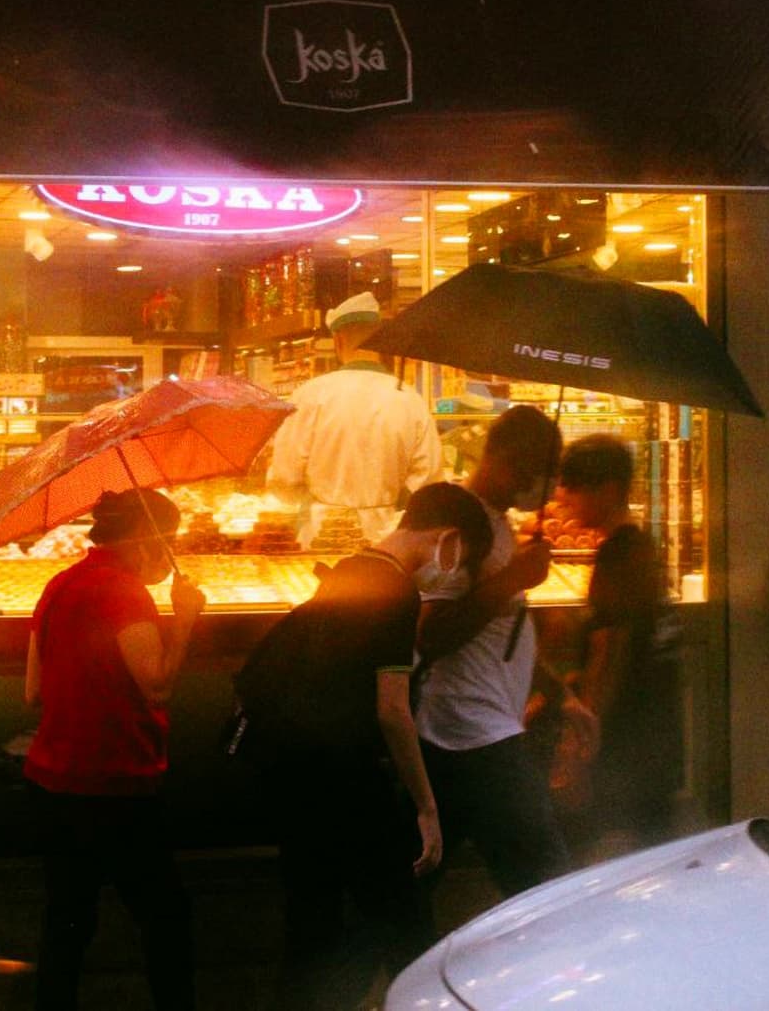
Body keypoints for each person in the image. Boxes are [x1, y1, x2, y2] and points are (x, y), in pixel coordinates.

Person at [231, 481, 493, 1011]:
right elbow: (391, 711)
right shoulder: (397, 592)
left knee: (311, 926)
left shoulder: (350, 569)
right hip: (349, 781)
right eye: (463, 556)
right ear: (448, 537)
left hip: (297, 777)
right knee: (405, 922)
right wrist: (426, 805)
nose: (458, 571)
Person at [23, 488, 206, 1011]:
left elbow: (31, 692)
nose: (169, 556)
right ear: (147, 541)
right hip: (116, 785)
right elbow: (156, 685)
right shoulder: (125, 593)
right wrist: (186, 616)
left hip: (51, 782)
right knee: (165, 918)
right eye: (168, 542)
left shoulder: (58, 585)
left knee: (67, 922)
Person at [412, 405, 569, 898]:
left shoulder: (498, 525)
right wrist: (513, 581)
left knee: (405, 890)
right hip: (472, 730)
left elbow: (501, 635)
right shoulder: (457, 521)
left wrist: (562, 695)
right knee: (547, 887)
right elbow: (432, 633)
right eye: (534, 472)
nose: (540, 487)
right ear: (501, 458)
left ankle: (376, 963)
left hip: (473, 733)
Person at [556, 434, 682, 857]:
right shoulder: (641, 548)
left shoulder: (619, 556)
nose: (565, 496)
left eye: (576, 486)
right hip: (655, 738)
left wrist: (581, 743)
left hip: (626, 743)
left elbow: (609, 654)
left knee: (608, 852)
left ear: (608, 489)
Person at [265, 290, 443, 546]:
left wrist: (311, 498)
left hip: (319, 538)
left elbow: (284, 479)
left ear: (338, 340)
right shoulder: (409, 400)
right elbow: (428, 486)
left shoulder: (310, 395)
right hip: (387, 542)